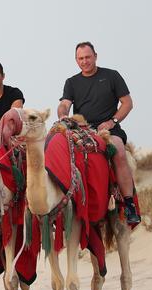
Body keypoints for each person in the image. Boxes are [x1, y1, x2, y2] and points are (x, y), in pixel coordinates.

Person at [57, 41, 140, 224]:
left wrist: (113, 121)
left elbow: (127, 103)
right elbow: (64, 104)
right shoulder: (71, 82)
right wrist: (63, 115)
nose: (84, 61)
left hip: (108, 129)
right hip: (83, 130)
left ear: (95, 56)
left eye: (88, 57)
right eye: (80, 58)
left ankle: (129, 204)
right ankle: (64, 207)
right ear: (76, 60)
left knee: (118, 149)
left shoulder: (111, 76)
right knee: (59, 152)